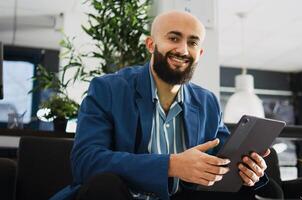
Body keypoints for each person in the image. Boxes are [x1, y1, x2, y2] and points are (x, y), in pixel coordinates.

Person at [51, 10, 274, 200]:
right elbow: (85, 162)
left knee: (258, 190)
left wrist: (248, 169)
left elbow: (224, 159)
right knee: (105, 185)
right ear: (151, 44)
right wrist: (171, 165)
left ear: (200, 53)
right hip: (119, 195)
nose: (183, 50)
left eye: (193, 42)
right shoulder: (108, 89)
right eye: (174, 38)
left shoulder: (206, 102)